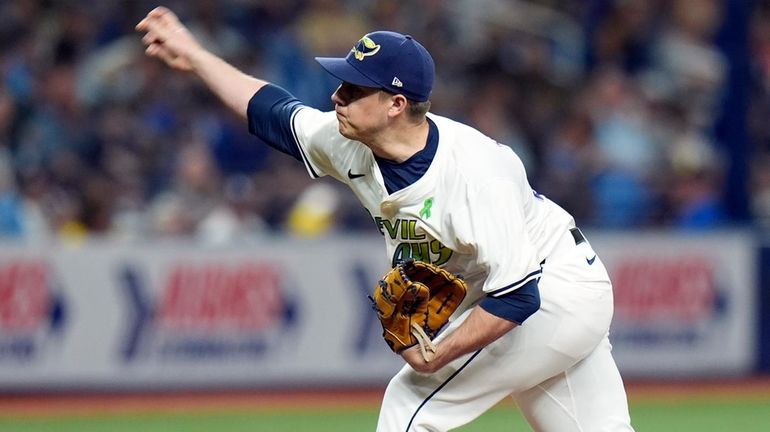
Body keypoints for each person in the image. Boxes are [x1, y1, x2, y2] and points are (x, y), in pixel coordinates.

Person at [136, 7, 635, 431]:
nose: (337, 97)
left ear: (396, 104)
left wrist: (440, 353)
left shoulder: (479, 171)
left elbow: (518, 297)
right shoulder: (346, 139)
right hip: (542, 294)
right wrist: (197, 56)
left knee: (410, 406)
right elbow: (272, 111)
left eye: (354, 89)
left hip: (553, 291)